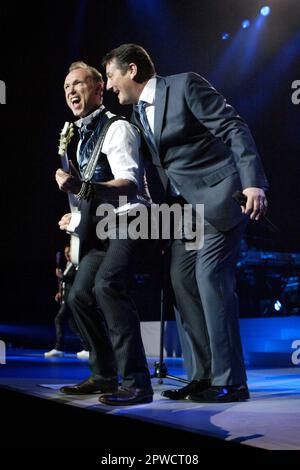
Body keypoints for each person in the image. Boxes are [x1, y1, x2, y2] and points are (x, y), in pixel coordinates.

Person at [102, 44, 269, 403]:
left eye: (111, 77)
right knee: (180, 282)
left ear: (132, 70)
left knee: (210, 278)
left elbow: (232, 127)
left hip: (220, 196)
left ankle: (231, 381)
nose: (110, 86)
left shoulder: (184, 86)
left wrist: (253, 181)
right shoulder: (135, 118)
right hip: (184, 214)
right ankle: (202, 376)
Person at [55, 61, 153, 406]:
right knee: (79, 295)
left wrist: (81, 186)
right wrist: (76, 217)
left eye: (79, 83)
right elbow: (91, 194)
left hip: (132, 219)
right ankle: (103, 374)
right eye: (67, 86)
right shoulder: (80, 139)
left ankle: (137, 383)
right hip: (101, 227)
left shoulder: (118, 128)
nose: (71, 91)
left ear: (99, 90)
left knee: (107, 285)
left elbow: (127, 186)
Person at [44, 245, 89, 359]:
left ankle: (59, 348)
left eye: (69, 252)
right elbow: (66, 284)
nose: (67, 254)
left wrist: (62, 276)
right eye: (65, 253)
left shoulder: (77, 265)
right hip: (66, 297)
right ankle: (88, 347)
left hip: (71, 299)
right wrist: (60, 293)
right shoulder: (68, 265)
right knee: (73, 325)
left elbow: (74, 280)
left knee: (58, 319)